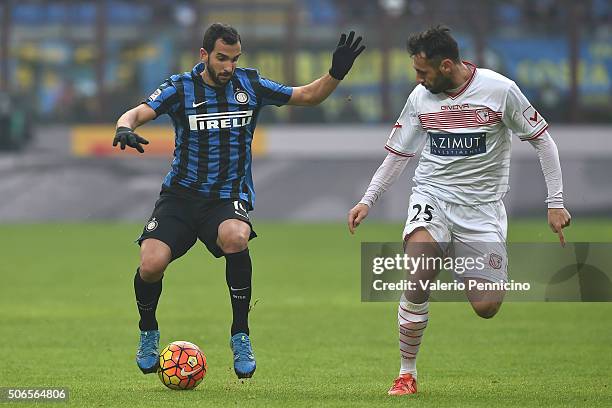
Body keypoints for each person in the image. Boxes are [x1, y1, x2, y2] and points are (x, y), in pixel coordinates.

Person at [113, 23, 365, 379]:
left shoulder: (251, 84)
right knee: (151, 264)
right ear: (204, 55)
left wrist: (336, 72)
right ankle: (148, 331)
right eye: (221, 58)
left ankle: (240, 335)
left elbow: (308, 95)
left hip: (226, 197)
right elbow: (137, 113)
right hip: (181, 197)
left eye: (234, 59)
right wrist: (125, 127)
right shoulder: (180, 87)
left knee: (235, 236)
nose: (228, 66)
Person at [347, 26, 571, 395]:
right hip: (432, 197)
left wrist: (556, 202)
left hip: (481, 210)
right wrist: (368, 199)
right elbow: (397, 156)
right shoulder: (420, 98)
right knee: (419, 270)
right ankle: (407, 373)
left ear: (447, 65)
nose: (417, 80)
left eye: (423, 72)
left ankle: (455, 251)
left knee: (486, 306)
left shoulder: (500, 91)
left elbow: (544, 142)